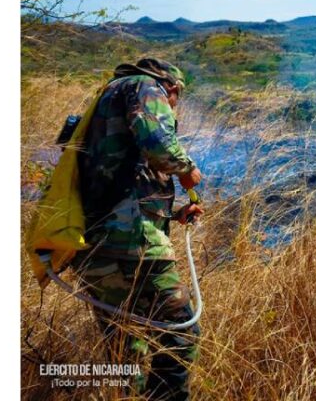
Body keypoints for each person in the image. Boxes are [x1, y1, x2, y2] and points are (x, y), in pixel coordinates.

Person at [71, 58, 204, 400]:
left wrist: (173, 215)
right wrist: (186, 169)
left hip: (95, 242)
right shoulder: (146, 87)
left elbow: (119, 180)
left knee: (124, 349)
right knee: (181, 332)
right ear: (173, 89)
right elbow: (157, 142)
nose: (173, 108)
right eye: (176, 102)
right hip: (134, 244)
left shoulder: (108, 97)